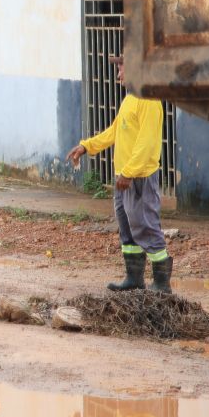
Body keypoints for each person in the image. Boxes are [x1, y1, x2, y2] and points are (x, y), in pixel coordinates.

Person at [67, 54, 170, 293]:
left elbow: (146, 144)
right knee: (127, 228)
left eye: (122, 68)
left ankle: (162, 284)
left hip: (138, 177)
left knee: (146, 226)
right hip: (124, 177)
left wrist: (129, 172)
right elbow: (115, 131)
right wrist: (86, 146)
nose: (119, 74)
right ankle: (134, 278)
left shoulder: (149, 101)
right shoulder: (130, 99)